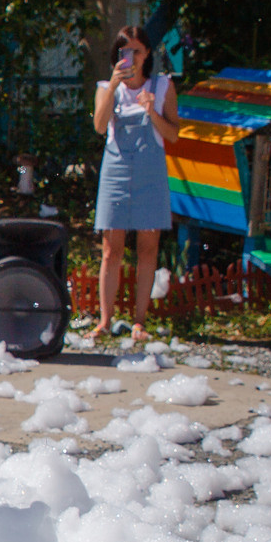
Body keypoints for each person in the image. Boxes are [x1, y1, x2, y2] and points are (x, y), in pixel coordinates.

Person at [85, 26, 179, 343]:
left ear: (148, 54)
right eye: (126, 51)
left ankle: (139, 320)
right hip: (116, 171)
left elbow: (173, 134)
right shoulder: (105, 87)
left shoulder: (163, 86)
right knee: (112, 248)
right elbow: (99, 127)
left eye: (138, 51)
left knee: (147, 247)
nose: (132, 57)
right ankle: (105, 319)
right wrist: (112, 86)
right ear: (117, 55)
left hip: (150, 173)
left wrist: (152, 110)